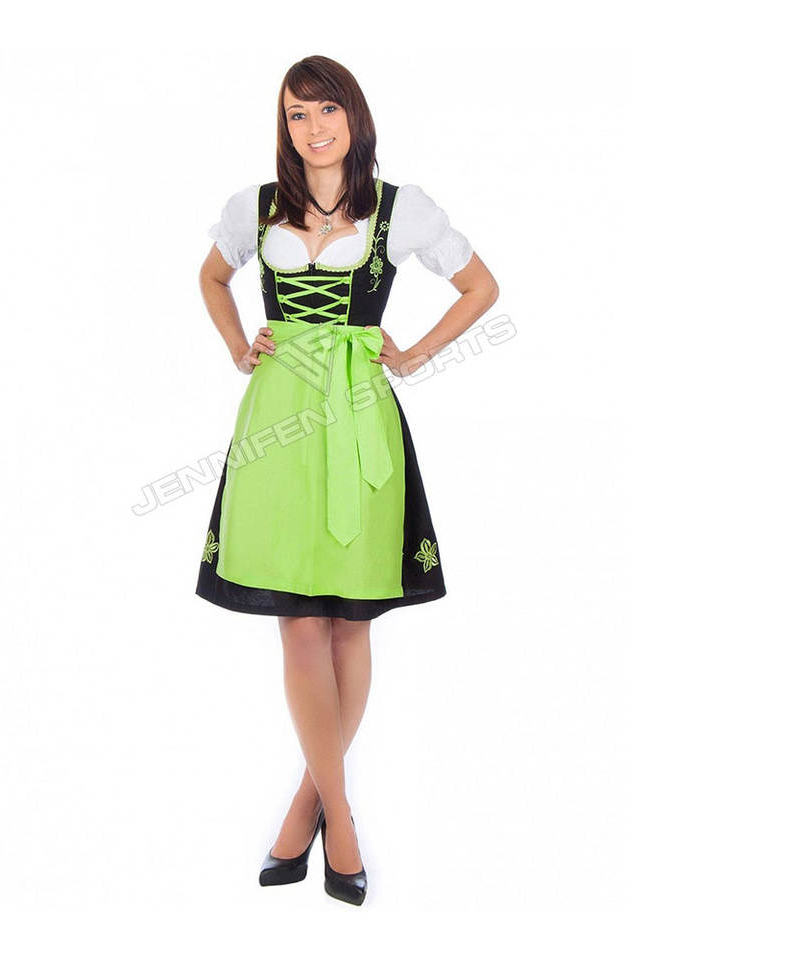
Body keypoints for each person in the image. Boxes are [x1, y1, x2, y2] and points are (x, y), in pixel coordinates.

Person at [195, 55, 498, 905]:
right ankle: (342, 818)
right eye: (297, 114)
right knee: (298, 624)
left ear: (354, 117)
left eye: (326, 110)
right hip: (278, 425)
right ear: (284, 127)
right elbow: (212, 277)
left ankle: (311, 805)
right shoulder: (254, 208)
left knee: (350, 623)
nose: (313, 127)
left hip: (361, 418)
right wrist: (237, 345)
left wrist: (416, 353)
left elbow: (480, 286)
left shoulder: (400, 209)